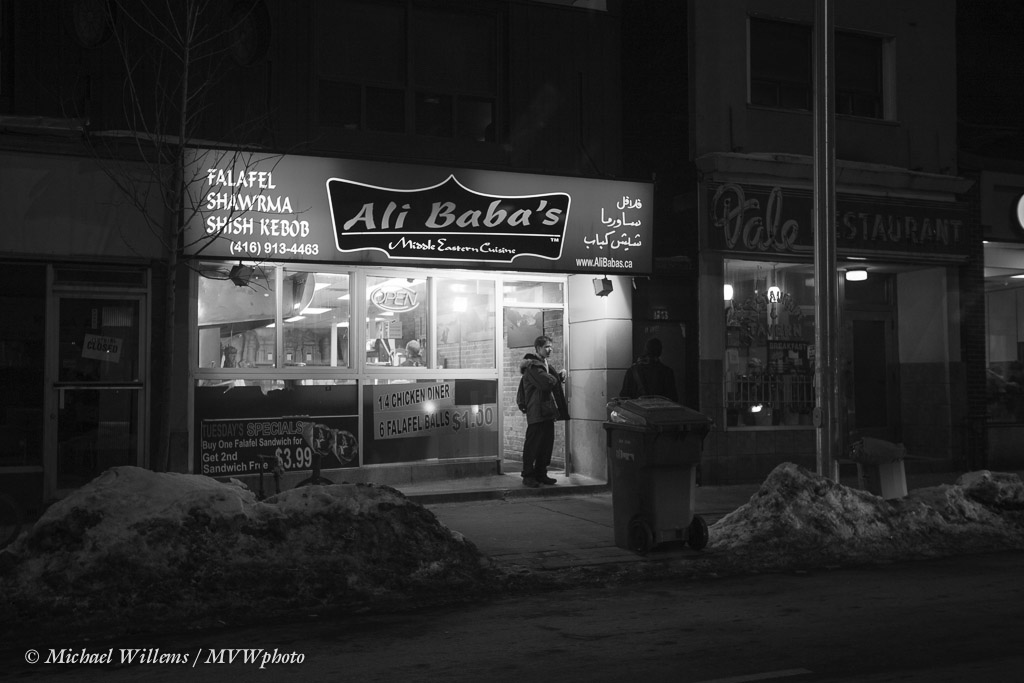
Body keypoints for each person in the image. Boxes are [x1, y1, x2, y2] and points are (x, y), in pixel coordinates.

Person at [516, 335, 569, 488]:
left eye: (550, 346)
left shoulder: (543, 364)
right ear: (538, 348)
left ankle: (541, 473)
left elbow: (548, 380)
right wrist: (555, 378)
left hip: (546, 411)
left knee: (546, 445)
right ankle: (528, 475)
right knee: (533, 445)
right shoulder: (533, 366)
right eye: (546, 347)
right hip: (537, 412)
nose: (549, 349)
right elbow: (546, 382)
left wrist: (557, 377)